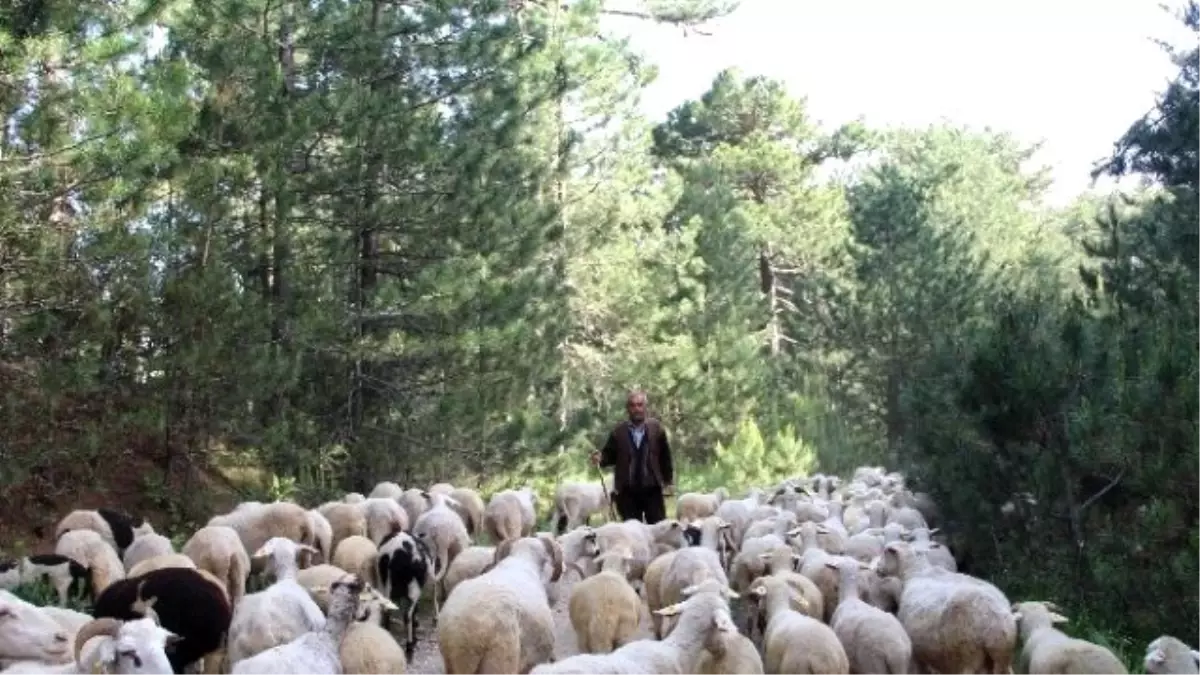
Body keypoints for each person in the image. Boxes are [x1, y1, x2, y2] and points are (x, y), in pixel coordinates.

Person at [589, 390, 675, 524]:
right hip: (626, 491)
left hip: (652, 489)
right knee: (631, 532)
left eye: (640, 405)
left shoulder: (656, 429)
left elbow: (665, 457)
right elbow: (609, 456)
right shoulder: (618, 432)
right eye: (633, 405)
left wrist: (668, 481)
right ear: (628, 408)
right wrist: (600, 458)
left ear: (645, 407)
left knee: (658, 529)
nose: (637, 409)